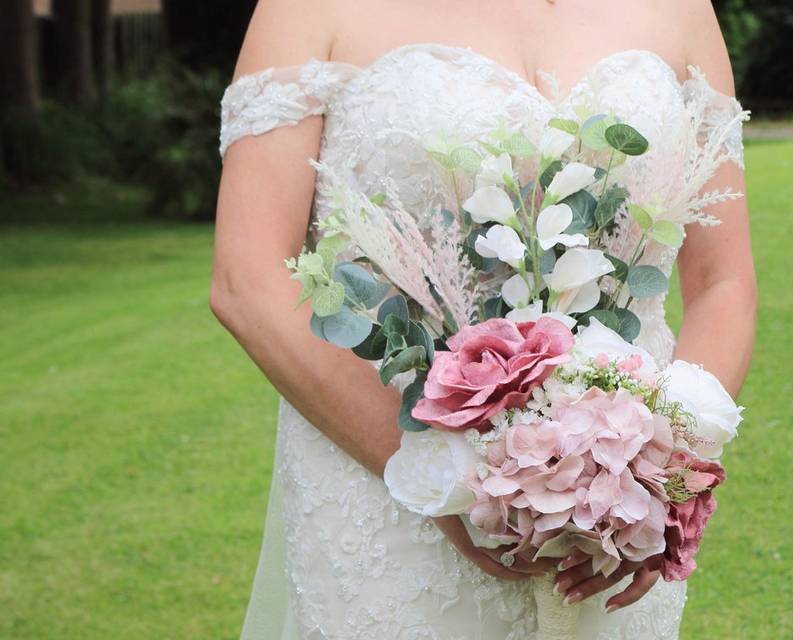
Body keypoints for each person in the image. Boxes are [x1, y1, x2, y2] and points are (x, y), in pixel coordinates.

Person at [210, 0, 756, 637]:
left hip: (609, 514)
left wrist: (658, 475)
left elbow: (725, 283)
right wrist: (442, 481)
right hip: (389, 490)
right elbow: (247, 282)